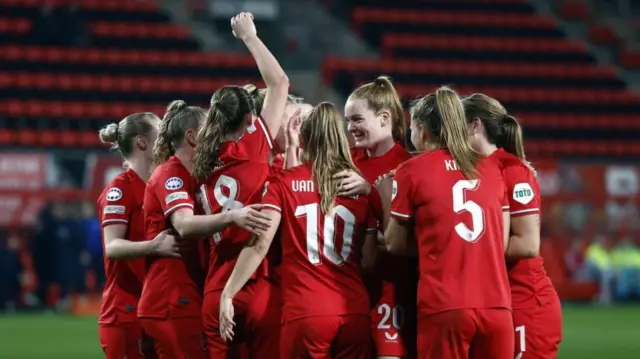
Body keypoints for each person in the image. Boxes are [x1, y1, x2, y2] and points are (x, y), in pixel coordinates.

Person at [219, 102, 378, 359]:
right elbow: (369, 262)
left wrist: (228, 293)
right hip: (355, 311)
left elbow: (260, 243)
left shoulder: (285, 182)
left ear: (304, 137)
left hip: (307, 311)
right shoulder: (359, 188)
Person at [378, 87, 513, 359]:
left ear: (421, 130)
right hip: (497, 306)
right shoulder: (491, 168)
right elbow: (501, 240)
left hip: (445, 305)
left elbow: (394, 243)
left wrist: (383, 197)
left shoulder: (412, 170)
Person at [139, 100, 269, 359]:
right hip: (172, 299)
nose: (216, 134)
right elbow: (184, 225)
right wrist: (233, 217)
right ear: (192, 136)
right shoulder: (171, 173)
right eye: (210, 129)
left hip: (185, 294)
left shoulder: (197, 175)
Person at [192, 12, 289, 359]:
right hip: (256, 280)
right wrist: (249, 36)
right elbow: (279, 82)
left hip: (216, 284)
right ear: (250, 119)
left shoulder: (199, 161)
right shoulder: (255, 144)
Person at [463, 93, 562, 359]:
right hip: (494, 304)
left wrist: (465, 251)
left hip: (524, 302)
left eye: (455, 128)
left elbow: (528, 244)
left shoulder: (514, 171)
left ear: (475, 125)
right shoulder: (471, 171)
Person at [339, 76, 415, 359]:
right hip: (347, 289)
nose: (350, 128)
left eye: (357, 119)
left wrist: (371, 193)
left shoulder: (409, 166)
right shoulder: (345, 161)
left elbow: (410, 237)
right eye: (348, 121)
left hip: (392, 289)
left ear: (384, 118)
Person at [96, 112, 180, 359]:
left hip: (158, 308)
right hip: (125, 312)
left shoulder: (161, 184)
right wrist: (153, 246)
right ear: (142, 143)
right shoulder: (120, 189)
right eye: (160, 136)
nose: (166, 142)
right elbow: (112, 246)